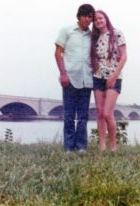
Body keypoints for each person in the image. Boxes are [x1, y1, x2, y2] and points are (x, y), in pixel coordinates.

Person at [55, 4, 95, 153]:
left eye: (90, 17)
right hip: (70, 78)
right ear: (79, 16)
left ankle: (81, 146)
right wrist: (63, 74)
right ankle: (69, 147)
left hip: (87, 80)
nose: (87, 19)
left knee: (83, 116)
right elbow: (58, 54)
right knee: (69, 115)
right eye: (85, 16)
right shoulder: (67, 31)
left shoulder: (92, 35)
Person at [91, 10, 127, 152]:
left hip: (114, 77)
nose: (98, 21)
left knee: (107, 113)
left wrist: (114, 75)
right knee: (99, 113)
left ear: (106, 18)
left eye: (100, 18)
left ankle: (113, 146)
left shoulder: (117, 33)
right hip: (98, 77)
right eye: (95, 19)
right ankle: (102, 146)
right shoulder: (94, 37)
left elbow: (124, 56)